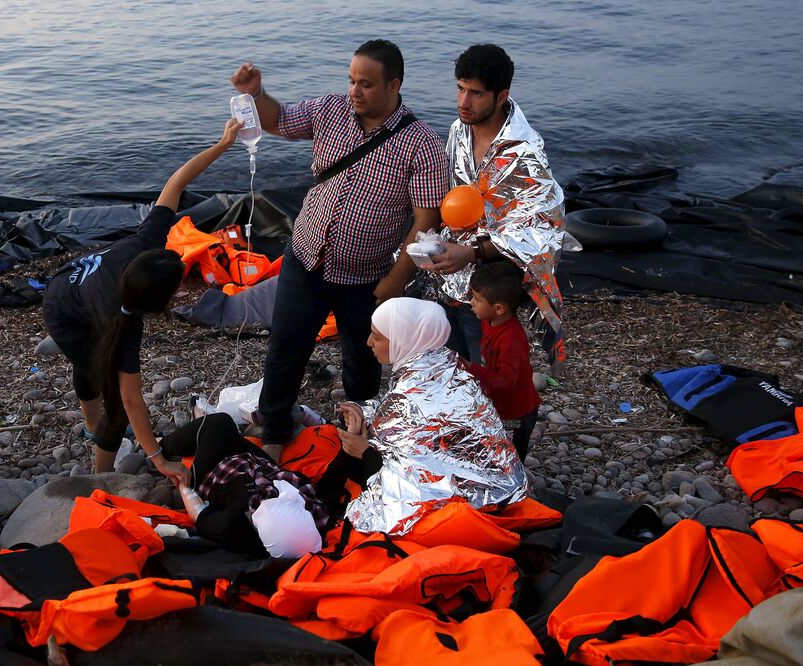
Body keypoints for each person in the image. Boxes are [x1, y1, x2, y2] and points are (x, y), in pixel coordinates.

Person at [230, 40, 449, 461]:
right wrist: (257, 93)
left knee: (364, 358)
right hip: (305, 258)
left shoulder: (420, 143)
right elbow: (277, 121)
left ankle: (361, 430)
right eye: (351, 80)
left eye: (366, 84)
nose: (354, 91)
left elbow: (426, 221)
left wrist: (394, 281)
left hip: (366, 275)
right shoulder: (330, 111)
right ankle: (274, 430)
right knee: (286, 348)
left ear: (394, 85)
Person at [43, 119, 243, 478]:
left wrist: (224, 143)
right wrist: (158, 460)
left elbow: (177, 182)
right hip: (62, 307)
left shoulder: (145, 241)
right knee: (115, 408)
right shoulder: (123, 325)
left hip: (75, 285)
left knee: (90, 362)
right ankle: (100, 478)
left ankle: (91, 426)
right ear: (157, 301)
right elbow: (133, 402)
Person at [425, 44, 573, 377]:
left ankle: (502, 424)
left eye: (476, 93)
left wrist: (473, 251)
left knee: (488, 375)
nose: (463, 102)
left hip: (491, 289)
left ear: (501, 95)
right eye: (460, 89)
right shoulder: (458, 131)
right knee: (450, 367)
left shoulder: (524, 152)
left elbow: (545, 227)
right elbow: (449, 195)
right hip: (448, 276)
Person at [334, 297, 527, 535]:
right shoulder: (437, 361)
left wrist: (362, 450)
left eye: (377, 336)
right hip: (503, 483)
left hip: (476, 500)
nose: (368, 342)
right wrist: (363, 410)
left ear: (405, 339)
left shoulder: (414, 392)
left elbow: (410, 475)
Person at [163, 413, 328, 558]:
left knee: (219, 423)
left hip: (216, 472)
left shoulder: (229, 527)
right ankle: (200, 419)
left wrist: (182, 481)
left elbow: (198, 514)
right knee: (227, 433)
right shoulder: (311, 513)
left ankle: (159, 447)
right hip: (259, 466)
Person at [465, 263, 540, 459]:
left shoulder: (511, 340)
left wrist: (472, 370)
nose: (471, 302)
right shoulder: (489, 320)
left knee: (510, 455)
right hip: (501, 405)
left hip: (517, 412)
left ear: (498, 308)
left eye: (476, 299)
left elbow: (506, 382)